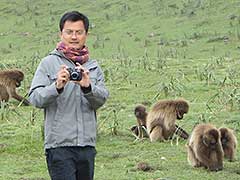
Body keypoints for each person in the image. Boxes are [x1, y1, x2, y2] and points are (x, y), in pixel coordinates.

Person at [28, 11, 109, 180]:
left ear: (86, 34)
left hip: (87, 145)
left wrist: (88, 87)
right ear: (61, 34)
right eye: (69, 32)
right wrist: (56, 87)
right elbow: (35, 98)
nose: (74, 37)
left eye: (79, 32)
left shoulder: (93, 67)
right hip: (59, 146)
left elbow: (101, 99)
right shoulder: (48, 63)